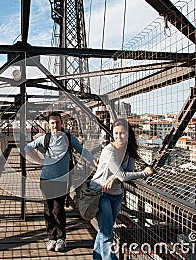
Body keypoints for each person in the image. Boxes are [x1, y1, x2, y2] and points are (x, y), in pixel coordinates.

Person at [24, 111, 98, 252]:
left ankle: (61, 238)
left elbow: (82, 150)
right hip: (46, 179)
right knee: (48, 209)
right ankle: (51, 237)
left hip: (61, 180)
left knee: (58, 209)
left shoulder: (69, 138)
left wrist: (94, 161)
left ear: (61, 123)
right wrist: (39, 160)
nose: (55, 125)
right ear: (49, 125)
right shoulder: (45, 138)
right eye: (52, 123)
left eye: (57, 122)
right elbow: (27, 148)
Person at [89, 118, 153, 259]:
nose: (119, 136)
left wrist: (113, 178)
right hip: (101, 193)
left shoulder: (129, 152)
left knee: (104, 230)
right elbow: (124, 175)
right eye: (116, 133)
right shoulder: (109, 150)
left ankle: (97, 257)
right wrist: (143, 173)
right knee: (107, 234)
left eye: (122, 133)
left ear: (128, 134)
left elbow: (126, 173)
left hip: (117, 194)